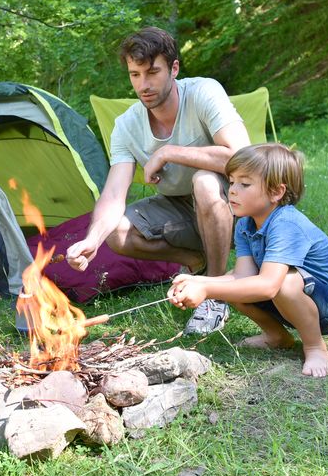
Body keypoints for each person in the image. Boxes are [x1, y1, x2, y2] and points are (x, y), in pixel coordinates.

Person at [65, 27, 250, 334]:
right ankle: (196, 260)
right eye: (135, 75)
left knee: (204, 181)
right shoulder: (126, 125)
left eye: (152, 72)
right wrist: (92, 241)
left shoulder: (203, 92)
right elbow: (113, 194)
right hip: (180, 207)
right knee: (116, 232)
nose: (144, 85)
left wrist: (170, 152)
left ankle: (214, 293)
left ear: (174, 68)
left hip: (237, 206)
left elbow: (243, 159)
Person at [168, 143, 328, 377]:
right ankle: (277, 336)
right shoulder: (246, 223)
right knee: (231, 284)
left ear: (276, 192)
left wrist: (206, 288)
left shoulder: (286, 224)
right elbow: (242, 277)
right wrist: (199, 283)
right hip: (289, 301)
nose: (233, 190)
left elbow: (268, 286)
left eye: (244, 184)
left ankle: (315, 346)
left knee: (284, 282)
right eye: (232, 181)